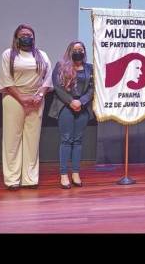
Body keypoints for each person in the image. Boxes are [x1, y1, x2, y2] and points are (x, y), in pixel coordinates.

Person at [0, 24, 53, 190]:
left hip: (36, 99)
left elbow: (48, 77)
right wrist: (22, 98)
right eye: (22, 34)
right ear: (16, 37)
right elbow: (6, 79)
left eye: (29, 34)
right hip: (14, 98)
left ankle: (30, 179)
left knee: (32, 139)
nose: (26, 37)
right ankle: (12, 179)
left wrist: (40, 95)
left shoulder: (41, 54)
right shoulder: (8, 54)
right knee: (12, 139)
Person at [48, 41, 94, 189]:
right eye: (75, 49)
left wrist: (81, 101)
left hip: (83, 108)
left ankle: (75, 173)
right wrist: (71, 101)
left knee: (78, 140)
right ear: (69, 51)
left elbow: (93, 89)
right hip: (65, 107)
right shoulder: (61, 66)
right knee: (66, 139)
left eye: (81, 49)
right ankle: (63, 174)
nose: (78, 51)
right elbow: (57, 86)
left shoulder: (89, 68)